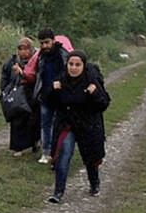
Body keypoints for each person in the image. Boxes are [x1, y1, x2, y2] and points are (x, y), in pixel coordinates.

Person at [45, 50, 110, 203]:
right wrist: (53, 91)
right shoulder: (60, 79)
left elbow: (104, 103)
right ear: (67, 64)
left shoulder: (92, 81)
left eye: (77, 65)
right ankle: (58, 192)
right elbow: (50, 103)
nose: (74, 68)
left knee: (90, 157)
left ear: (83, 66)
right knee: (64, 155)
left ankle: (94, 184)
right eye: (71, 64)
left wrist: (94, 94)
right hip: (67, 125)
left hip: (88, 125)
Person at [23, 28, 71, 164]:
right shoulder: (41, 56)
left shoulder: (63, 54)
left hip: (60, 96)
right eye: (42, 43)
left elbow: (69, 73)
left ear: (53, 41)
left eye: (47, 42)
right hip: (45, 96)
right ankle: (46, 152)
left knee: (59, 125)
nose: (44, 46)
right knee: (45, 125)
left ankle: (58, 152)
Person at [1, 37, 40, 156]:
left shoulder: (37, 60)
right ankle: (18, 148)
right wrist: (4, 90)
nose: (23, 52)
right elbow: (5, 76)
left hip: (32, 94)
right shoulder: (12, 62)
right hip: (17, 94)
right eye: (20, 49)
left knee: (33, 120)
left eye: (26, 49)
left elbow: (37, 77)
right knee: (17, 120)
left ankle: (35, 142)